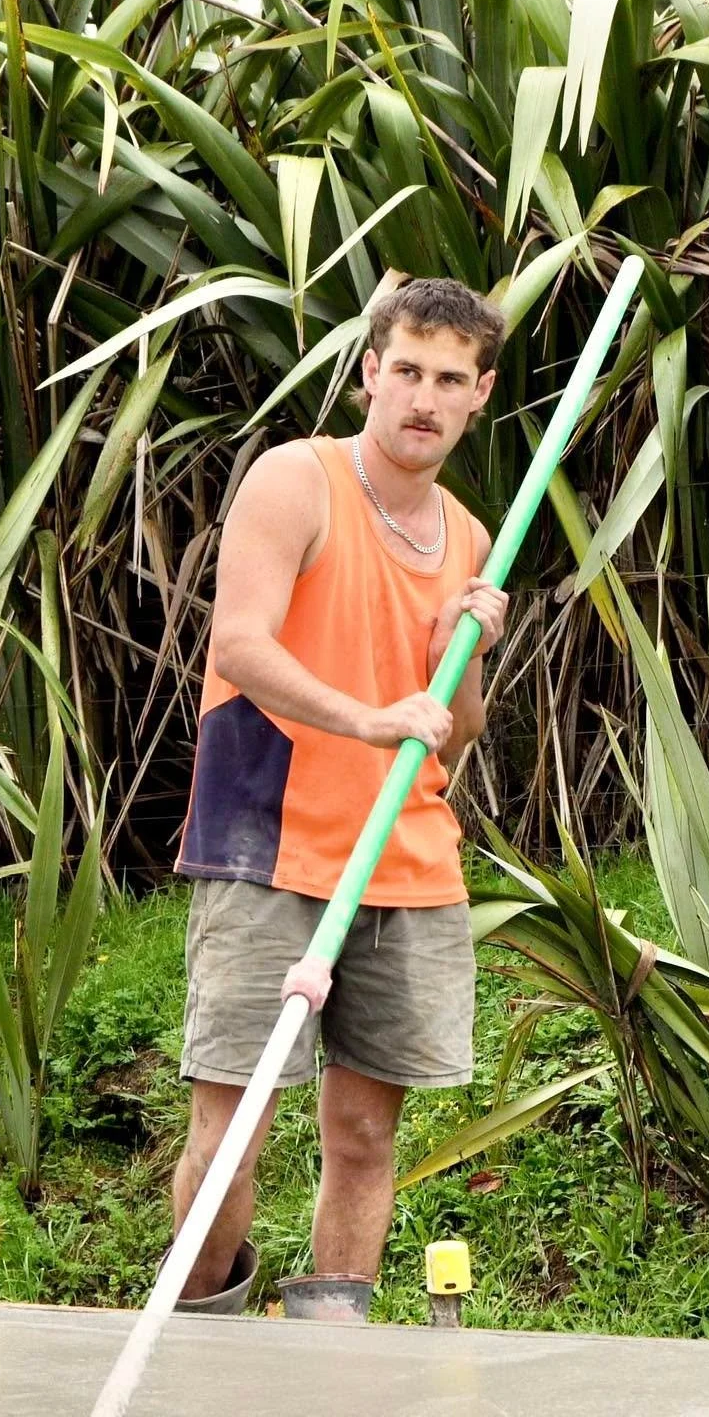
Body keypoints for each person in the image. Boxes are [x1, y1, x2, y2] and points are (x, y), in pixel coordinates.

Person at [170, 277, 510, 1308]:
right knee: (235, 1133)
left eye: (449, 378)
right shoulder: (296, 482)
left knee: (366, 1132)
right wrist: (367, 718)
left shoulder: (469, 536)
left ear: (479, 395)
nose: (423, 396)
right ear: (370, 373)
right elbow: (239, 644)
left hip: (406, 857)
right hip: (269, 842)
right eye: (405, 369)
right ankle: (198, 1344)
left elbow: (458, 728)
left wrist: (472, 649)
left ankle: (331, 1359)